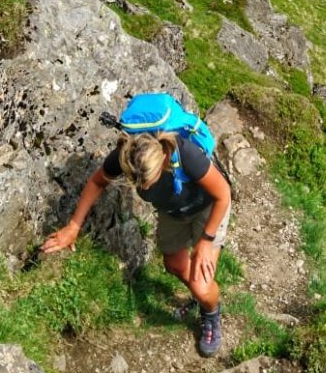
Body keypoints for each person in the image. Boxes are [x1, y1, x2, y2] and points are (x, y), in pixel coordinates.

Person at [41, 127, 232, 356]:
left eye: (148, 180)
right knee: (174, 265)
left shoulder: (186, 155)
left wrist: (206, 240)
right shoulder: (128, 155)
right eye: (136, 181)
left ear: (163, 159)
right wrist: (73, 227)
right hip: (173, 211)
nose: (144, 187)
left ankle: (210, 313)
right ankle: (199, 298)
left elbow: (223, 193)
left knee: (201, 286)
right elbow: (97, 182)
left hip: (209, 208)